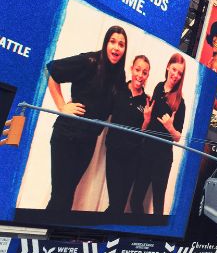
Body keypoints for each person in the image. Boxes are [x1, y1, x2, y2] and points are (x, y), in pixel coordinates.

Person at [45, 26, 127, 215]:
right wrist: (62, 106)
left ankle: (48, 238)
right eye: (112, 42)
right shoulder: (89, 61)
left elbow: (119, 107)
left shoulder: (119, 75)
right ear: (106, 43)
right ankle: (41, 239)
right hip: (67, 135)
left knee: (66, 194)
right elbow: (51, 70)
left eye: (121, 44)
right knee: (61, 195)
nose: (116, 48)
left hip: (88, 142)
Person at [128, 54, 187, 219]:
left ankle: (153, 242)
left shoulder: (180, 103)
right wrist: (146, 119)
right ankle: (140, 234)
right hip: (146, 152)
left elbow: (177, 137)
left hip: (163, 158)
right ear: (168, 67)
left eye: (180, 73)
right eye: (174, 69)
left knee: (158, 205)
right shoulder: (158, 87)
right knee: (135, 201)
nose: (175, 75)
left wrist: (170, 127)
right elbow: (150, 118)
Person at [103, 55, 150, 219]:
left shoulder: (147, 102)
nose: (140, 75)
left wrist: (146, 120)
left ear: (147, 76)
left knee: (120, 205)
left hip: (132, 158)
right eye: (138, 70)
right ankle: (93, 236)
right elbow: (103, 111)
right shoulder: (118, 90)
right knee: (115, 204)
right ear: (132, 69)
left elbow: (144, 133)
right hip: (114, 153)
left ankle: (104, 239)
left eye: (144, 72)